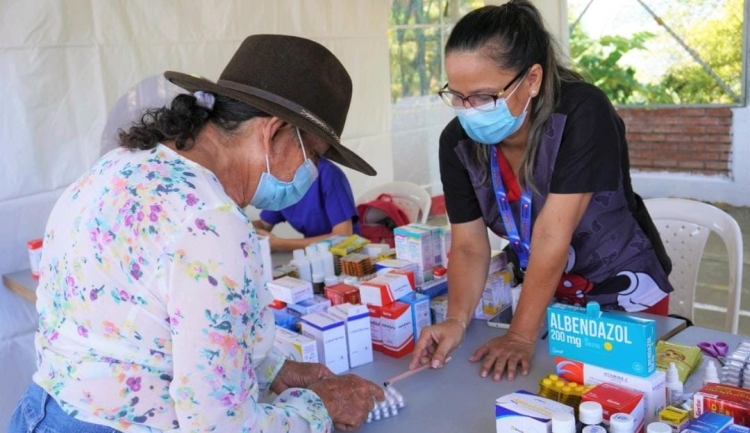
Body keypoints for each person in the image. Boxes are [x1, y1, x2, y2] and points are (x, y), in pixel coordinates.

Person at [10, 35, 384, 433]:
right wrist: (319, 408)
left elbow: (147, 325)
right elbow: (221, 428)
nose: (311, 175)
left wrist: (271, 369)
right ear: (274, 134)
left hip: (41, 413)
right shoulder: (212, 222)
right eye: (316, 155)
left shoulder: (115, 167)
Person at [410, 1, 673, 384]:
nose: (468, 111)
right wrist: (456, 320)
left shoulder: (581, 112)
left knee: (623, 397)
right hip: (543, 300)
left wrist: (519, 334)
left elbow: (552, 234)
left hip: (622, 293)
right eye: (457, 95)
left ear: (532, 79)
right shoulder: (458, 144)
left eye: (484, 96)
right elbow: (468, 246)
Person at [252, 156, 360, 252]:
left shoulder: (328, 174)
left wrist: (280, 244)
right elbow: (264, 224)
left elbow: (343, 236)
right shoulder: (282, 181)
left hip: (348, 256)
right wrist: (242, 226)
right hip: (314, 255)